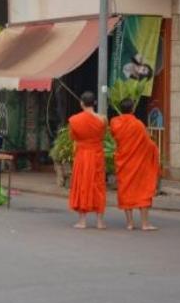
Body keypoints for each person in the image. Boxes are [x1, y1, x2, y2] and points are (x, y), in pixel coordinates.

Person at [110, 98, 160, 231]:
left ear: (121, 109)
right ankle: (145, 224)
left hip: (124, 162)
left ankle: (130, 223)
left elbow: (115, 136)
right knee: (143, 190)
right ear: (133, 109)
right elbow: (148, 143)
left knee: (126, 191)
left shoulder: (115, 123)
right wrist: (155, 148)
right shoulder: (138, 124)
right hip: (138, 163)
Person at [68, 91, 107, 229]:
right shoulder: (102, 119)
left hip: (83, 155)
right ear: (94, 103)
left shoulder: (74, 120)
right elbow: (102, 135)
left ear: (81, 103)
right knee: (98, 185)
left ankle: (82, 221)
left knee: (83, 184)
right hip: (97, 154)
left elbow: (73, 137)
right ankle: (100, 222)